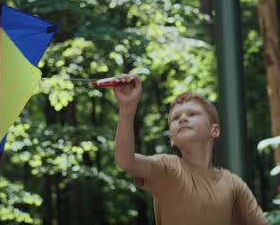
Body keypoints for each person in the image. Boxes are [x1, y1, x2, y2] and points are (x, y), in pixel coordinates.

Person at [112, 74, 268, 225]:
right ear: (172, 139)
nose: (182, 119)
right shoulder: (168, 168)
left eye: (192, 114)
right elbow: (126, 161)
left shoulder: (233, 184)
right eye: (175, 118)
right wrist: (127, 110)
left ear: (214, 130)